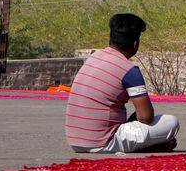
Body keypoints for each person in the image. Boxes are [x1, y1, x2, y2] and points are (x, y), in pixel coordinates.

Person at [65, 13, 180, 153]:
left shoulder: (93, 57)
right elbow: (145, 117)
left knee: (134, 118)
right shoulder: (130, 70)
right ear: (135, 44)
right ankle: (146, 146)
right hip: (102, 142)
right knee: (171, 122)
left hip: (75, 140)